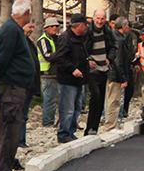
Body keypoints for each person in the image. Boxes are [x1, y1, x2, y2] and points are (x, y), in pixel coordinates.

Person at [0, 0, 36, 171]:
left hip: (16, 87)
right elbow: (2, 58)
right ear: (27, 13)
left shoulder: (14, 30)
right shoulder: (10, 30)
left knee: (12, 129)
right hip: (11, 88)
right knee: (9, 130)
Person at [52, 14, 90, 143]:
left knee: (77, 107)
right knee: (67, 108)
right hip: (67, 79)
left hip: (79, 79)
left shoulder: (80, 38)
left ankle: (71, 131)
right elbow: (60, 58)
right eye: (85, 25)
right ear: (79, 25)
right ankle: (63, 134)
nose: (86, 28)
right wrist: (72, 69)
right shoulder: (65, 38)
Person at [82, 9, 115, 136]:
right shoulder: (87, 32)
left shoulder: (107, 32)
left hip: (104, 69)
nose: (100, 21)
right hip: (92, 69)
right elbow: (83, 48)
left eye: (102, 19)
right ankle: (88, 128)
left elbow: (113, 47)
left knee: (100, 99)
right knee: (95, 96)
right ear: (93, 18)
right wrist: (88, 59)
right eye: (98, 18)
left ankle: (94, 129)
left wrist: (109, 58)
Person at [18, 20, 41, 149]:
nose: (31, 29)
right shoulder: (20, 41)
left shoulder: (29, 42)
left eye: (33, 26)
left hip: (29, 84)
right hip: (22, 84)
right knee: (21, 114)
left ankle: (21, 139)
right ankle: (19, 140)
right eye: (29, 27)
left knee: (24, 114)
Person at [37, 16, 61, 127]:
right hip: (47, 73)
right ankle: (47, 123)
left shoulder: (57, 39)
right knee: (49, 99)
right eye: (52, 26)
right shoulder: (43, 40)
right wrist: (61, 54)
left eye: (56, 26)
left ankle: (57, 122)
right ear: (46, 28)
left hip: (57, 73)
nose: (55, 28)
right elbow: (47, 56)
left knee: (58, 99)